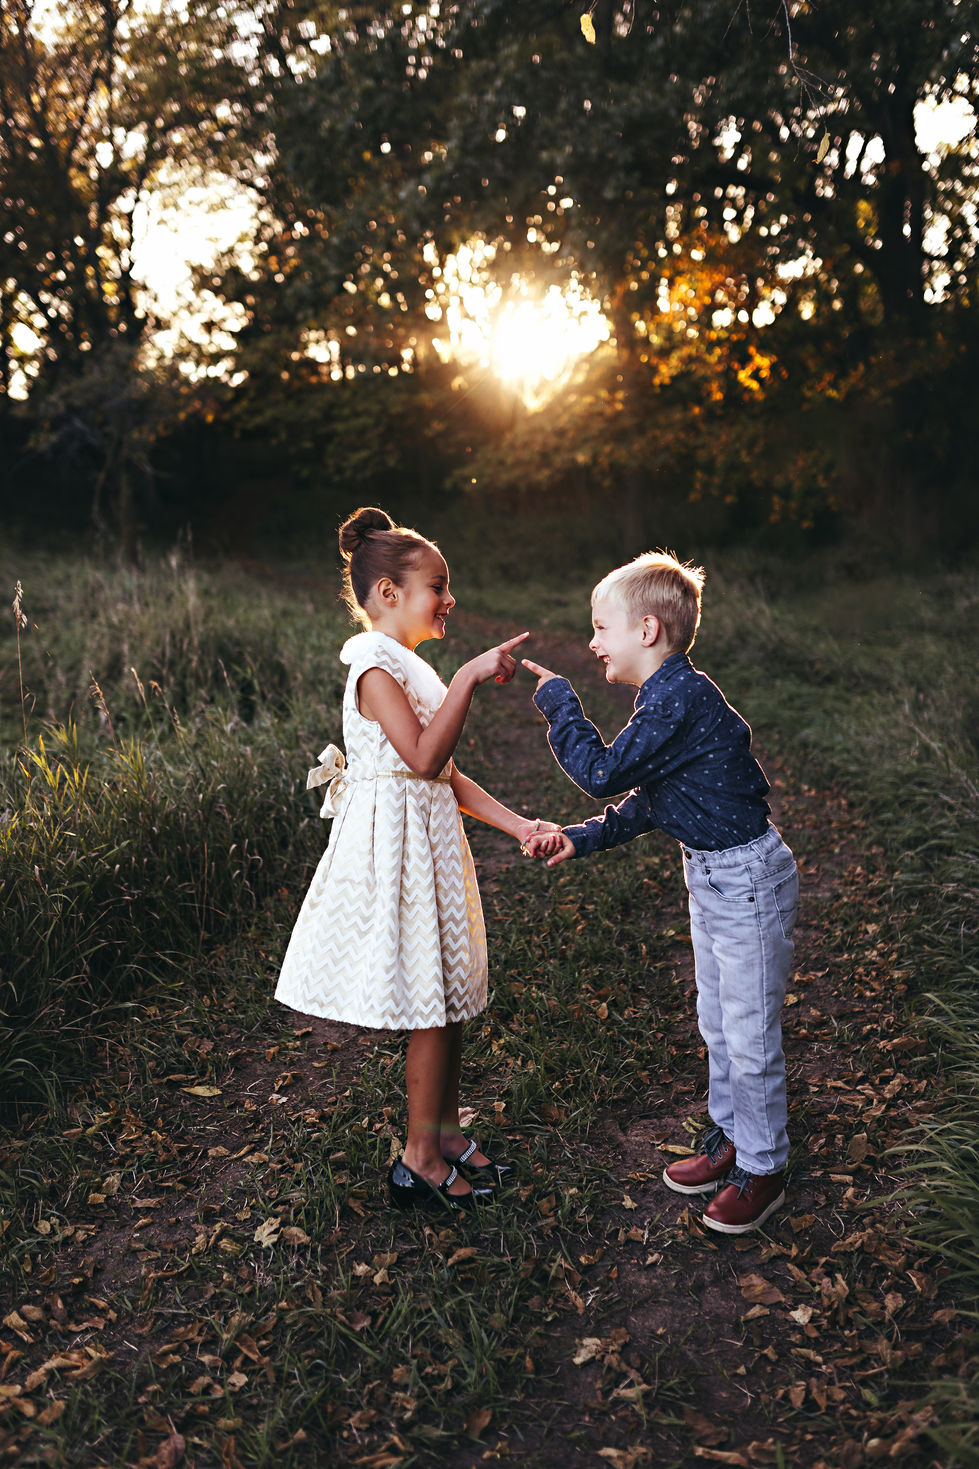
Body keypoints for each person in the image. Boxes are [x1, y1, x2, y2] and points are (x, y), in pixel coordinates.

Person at [275, 506, 557, 1214]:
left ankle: (445, 1131)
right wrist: (467, 677)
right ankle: (417, 1159)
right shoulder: (372, 666)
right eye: (438, 584)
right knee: (430, 1003)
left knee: (450, 995)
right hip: (394, 850)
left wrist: (518, 824)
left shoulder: (411, 668)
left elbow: (448, 778)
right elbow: (424, 757)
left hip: (428, 839)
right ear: (388, 595)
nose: (448, 599)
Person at [522, 551, 799, 1235]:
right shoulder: (665, 699)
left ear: (645, 630)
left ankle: (765, 1166)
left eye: (599, 627)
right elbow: (647, 801)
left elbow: (600, 772)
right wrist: (579, 839)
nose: (591, 643)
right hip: (712, 876)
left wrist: (559, 702)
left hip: (745, 879)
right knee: (717, 1020)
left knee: (748, 1030)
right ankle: (732, 1137)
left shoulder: (679, 696)